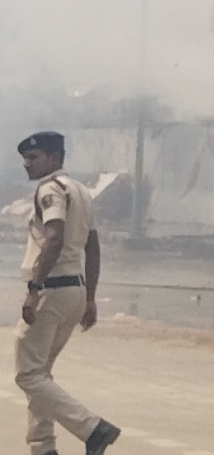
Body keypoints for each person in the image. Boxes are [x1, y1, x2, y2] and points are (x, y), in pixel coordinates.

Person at [16, 131, 119, 455]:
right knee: (41, 374)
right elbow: (93, 246)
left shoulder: (50, 190)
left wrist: (34, 289)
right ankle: (43, 447)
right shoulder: (81, 191)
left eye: (34, 157)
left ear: (54, 159)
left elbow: (55, 237)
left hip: (52, 290)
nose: (27, 163)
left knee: (28, 374)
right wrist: (89, 298)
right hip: (74, 291)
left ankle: (92, 428)